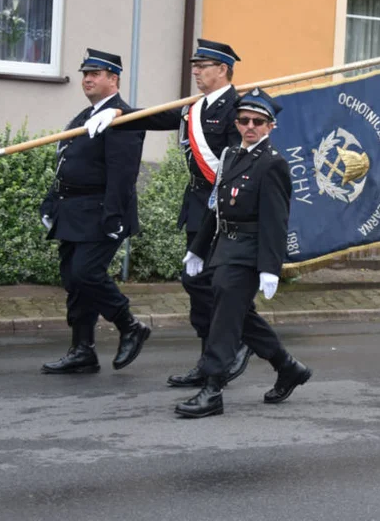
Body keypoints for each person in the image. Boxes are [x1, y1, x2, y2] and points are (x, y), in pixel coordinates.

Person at [84, 39, 252, 387]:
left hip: (225, 211)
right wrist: (117, 114)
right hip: (197, 208)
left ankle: (242, 341)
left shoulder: (240, 110)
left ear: (222, 70)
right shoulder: (195, 107)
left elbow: (240, 166)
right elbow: (158, 116)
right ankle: (210, 362)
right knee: (198, 285)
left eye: (202, 65)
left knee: (214, 282)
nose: (195, 71)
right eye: (194, 65)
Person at [174, 88, 311, 418]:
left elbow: (275, 220)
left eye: (258, 121)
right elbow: (215, 208)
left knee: (224, 317)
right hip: (225, 246)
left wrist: (270, 267)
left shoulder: (272, 164)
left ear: (270, 126)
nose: (250, 126)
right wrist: (197, 249)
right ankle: (287, 366)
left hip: (249, 252)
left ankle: (212, 389)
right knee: (224, 303)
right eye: (244, 120)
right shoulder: (232, 156)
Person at [40, 49, 150, 374]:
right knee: (74, 280)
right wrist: (51, 203)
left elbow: (123, 174)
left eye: (95, 74)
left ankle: (129, 324)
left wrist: (113, 217)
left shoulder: (122, 119)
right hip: (73, 211)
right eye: (85, 74)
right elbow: (66, 165)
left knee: (87, 272)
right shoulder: (84, 116)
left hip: (102, 212)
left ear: (113, 79)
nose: (87, 79)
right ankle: (82, 349)